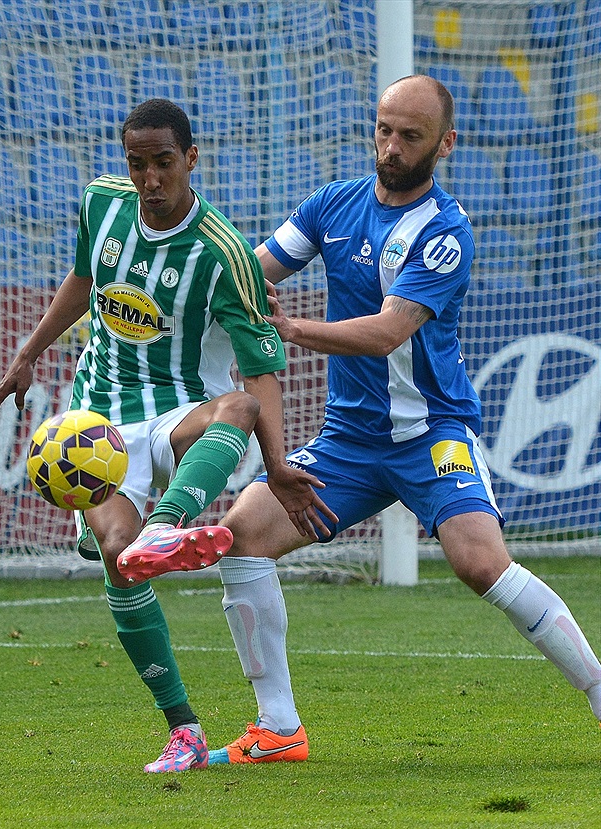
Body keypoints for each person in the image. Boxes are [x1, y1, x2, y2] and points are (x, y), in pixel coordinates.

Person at [207, 75, 601, 765]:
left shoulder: (445, 231)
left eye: (410, 135)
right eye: (384, 129)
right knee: (240, 536)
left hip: (433, 433)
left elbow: (390, 332)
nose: (391, 147)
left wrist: (292, 326)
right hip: (350, 443)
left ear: (445, 143)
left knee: (478, 562)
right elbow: (253, 270)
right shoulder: (334, 204)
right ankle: (278, 727)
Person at [0, 99, 328, 773]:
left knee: (239, 408)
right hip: (96, 422)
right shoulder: (100, 206)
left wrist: (278, 467)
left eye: (163, 163)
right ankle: (185, 730)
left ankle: (169, 522)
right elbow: (84, 280)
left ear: (191, 158)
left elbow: (259, 372)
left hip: (176, 408)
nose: (150, 179)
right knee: (116, 553)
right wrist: (29, 351)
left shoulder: (223, 252)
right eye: (137, 164)